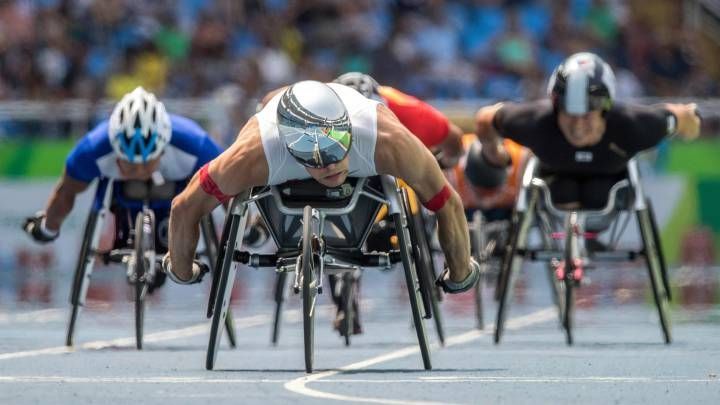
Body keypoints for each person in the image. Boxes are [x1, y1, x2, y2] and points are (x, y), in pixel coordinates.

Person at [163, 80, 479, 306]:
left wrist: (460, 269)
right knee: (246, 183)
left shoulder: (387, 139)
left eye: (335, 149)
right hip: (275, 139)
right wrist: (181, 268)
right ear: (287, 144)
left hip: (361, 145)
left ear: (348, 130)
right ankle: (261, 221)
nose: (328, 164)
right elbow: (184, 207)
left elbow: (447, 202)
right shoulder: (254, 152)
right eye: (311, 155)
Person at [23, 86, 222, 291]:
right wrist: (48, 227)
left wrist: (249, 229)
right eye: (129, 163)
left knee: (204, 188)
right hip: (123, 197)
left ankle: (178, 252)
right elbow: (66, 192)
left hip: (177, 190)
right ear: (115, 152)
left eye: (146, 163)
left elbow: (231, 192)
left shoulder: (197, 146)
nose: (139, 171)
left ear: (162, 150)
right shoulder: (91, 150)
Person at [474, 52, 700, 218]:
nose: (578, 127)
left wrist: (691, 129)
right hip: (553, 182)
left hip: (611, 185)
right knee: (564, 191)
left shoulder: (633, 125)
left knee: (597, 194)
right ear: (555, 108)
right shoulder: (536, 122)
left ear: (605, 110)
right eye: (570, 115)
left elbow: (685, 116)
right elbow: (486, 118)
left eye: (587, 116)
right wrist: (494, 153)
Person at [324, 72, 466, 335]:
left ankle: (412, 240)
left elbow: (454, 140)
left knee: (417, 184)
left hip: (391, 169)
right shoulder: (315, 108)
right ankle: (343, 299)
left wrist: (444, 163)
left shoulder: (411, 112)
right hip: (337, 169)